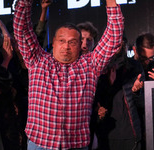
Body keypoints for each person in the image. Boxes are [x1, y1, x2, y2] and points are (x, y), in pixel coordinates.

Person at [13, 0, 124, 149]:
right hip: (40, 143)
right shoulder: (37, 60)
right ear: (53, 42)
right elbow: (21, 29)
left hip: (76, 145)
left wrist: (110, 2)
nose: (66, 46)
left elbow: (113, 37)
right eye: (62, 41)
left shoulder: (90, 64)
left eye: (72, 42)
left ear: (80, 45)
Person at [93, 38, 144, 150]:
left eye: (119, 41)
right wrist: (98, 111)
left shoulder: (134, 67)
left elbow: (143, 104)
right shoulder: (96, 69)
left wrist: (136, 92)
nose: (116, 44)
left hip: (130, 135)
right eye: (112, 40)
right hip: (105, 134)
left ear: (124, 44)